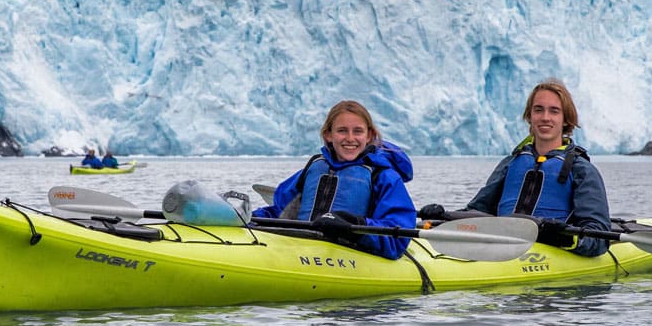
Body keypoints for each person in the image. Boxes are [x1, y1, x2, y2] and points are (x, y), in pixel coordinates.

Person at [419, 80, 611, 257]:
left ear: (566, 119)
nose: (545, 117)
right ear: (529, 116)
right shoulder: (511, 163)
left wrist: (557, 236)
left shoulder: (582, 170)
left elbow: (599, 238)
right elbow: (478, 212)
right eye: (538, 110)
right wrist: (444, 217)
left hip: (550, 253)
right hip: (502, 246)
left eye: (554, 111)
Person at [253, 100, 417, 260]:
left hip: (352, 255)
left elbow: (397, 237)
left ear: (369, 136)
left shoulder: (384, 177)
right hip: (300, 249)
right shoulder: (313, 169)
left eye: (358, 131)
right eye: (342, 131)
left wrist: (354, 224)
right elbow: (280, 212)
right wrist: (247, 217)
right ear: (328, 135)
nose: (350, 138)